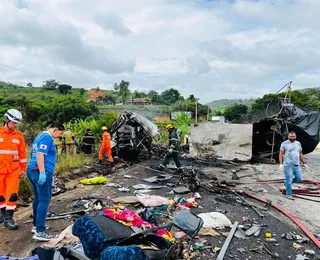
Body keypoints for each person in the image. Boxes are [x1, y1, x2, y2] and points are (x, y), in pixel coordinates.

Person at [27, 122, 65, 241]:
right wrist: (43, 172)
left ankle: (36, 225)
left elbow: (33, 153)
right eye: (60, 133)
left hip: (32, 170)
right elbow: (40, 154)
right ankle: (40, 231)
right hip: (40, 171)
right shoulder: (47, 137)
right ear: (55, 129)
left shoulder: (39, 136)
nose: (59, 136)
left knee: (38, 199)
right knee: (44, 200)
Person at [0, 109, 27, 230]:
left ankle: (9, 218)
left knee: (12, 195)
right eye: (14, 122)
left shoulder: (19, 136)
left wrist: (22, 169)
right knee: (0, 195)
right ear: (7, 120)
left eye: (17, 123)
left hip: (13, 170)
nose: (15, 125)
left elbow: (22, 155)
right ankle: (2, 215)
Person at [279, 131, 308, 200]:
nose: (292, 138)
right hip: (288, 165)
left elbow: (300, 153)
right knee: (289, 179)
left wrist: (304, 162)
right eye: (291, 136)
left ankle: (286, 183)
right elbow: (281, 154)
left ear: (295, 136)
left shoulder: (298, 143)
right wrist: (281, 164)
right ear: (288, 136)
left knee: (299, 178)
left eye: (293, 136)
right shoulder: (284, 144)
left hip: (296, 164)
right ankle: (288, 194)